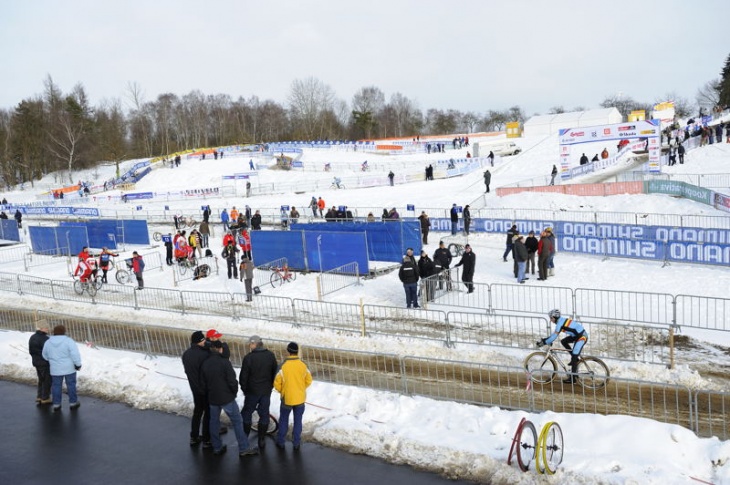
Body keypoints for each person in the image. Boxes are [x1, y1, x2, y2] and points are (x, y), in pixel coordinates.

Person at [201, 340, 258, 457]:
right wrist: (234, 393)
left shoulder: (205, 363)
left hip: (212, 398)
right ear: (220, 349)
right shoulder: (224, 362)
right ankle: (244, 448)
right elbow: (232, 381)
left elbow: (203, 383)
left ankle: (217, 447)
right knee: (237, 422)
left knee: (214, 422)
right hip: (226, 398)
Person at [239, 335, 278, 450]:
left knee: (246, 413)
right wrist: (270, 386)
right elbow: (274, 372)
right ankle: (261, 439)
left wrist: (245, 389)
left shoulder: (249, 358)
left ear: (254, 344)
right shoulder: (270, 355)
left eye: (250, 344)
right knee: (264, 414)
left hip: (252, 391)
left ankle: (244, 438)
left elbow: (243, 377)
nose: (249, 346)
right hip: (266, 391)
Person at [274, 342, 313, 450]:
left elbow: (276, 383)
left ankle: (281, 441)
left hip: (287, 399)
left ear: (288, 351)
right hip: (300, 399)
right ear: (297, 351)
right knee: (298, 421)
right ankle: (296, 443)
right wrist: (301, 388)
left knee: (283, 420)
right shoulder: (303, 365)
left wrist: (283, 391)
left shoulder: (283, 366)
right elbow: (309, 380)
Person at [538, 309, 588, 384]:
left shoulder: (559, 324)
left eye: (551, 318)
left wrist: (544, 342)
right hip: (577, 336)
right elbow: (553, 336)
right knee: (563, 341)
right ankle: (575, 360)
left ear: (555, 317)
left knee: (574, 356)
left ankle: (573, 379)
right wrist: (546, 340)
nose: (550, 320)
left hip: (582, 337)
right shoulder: (560, 321)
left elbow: (554, 336)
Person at [42, 324, 82, 411]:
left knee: (56, 386)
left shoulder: (48, 342)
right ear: (64, 331)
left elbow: (44, 355)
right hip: (69, 368)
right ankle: (73, 402)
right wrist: (78, 364)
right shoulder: (69, 341)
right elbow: (75, 354)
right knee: (71, 385)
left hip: (55, 369)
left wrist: (52, 360)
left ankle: (56, 404)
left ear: (54, 332)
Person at [183, 330, 212, 448]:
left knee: (198, 412)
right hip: (205, 389)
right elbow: (208, 372)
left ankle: (194, 437)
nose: (205, 341)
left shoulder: (186, 354)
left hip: (194, 388)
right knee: (208, 414)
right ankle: (206, 439)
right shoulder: (205, 354)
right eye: (203, 340)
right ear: (199, 342)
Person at [29, 322, 52, 405]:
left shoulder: (32, 337)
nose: (48, 329)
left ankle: (39, 396)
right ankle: (45, 398)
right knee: (47, 380)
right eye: (46, 328)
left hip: (36, 362)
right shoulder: (45, 339)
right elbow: (49, 352)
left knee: (41, 379)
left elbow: (31, 350)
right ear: (41, 329)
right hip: (44, 363)